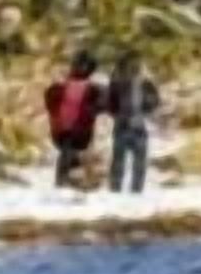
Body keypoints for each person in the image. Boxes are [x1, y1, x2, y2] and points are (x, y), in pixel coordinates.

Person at [44, 52, 104, 193]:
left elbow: (100, 105)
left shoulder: (92, 89)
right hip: (69, 128)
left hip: (75, 128)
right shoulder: (64, 87)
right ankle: (64, 182)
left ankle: (66, 182)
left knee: (71, 153)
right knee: (69, 153)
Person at [107, 55, 160, 194]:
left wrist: (117, 113)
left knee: (120, 161)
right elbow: (155, 103)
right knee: (137, 162)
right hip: (137, 125)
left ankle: (116, 189)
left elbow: (110, 104)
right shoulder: (146, 84)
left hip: (124, 125)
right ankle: (133, 190)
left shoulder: (118, 83)